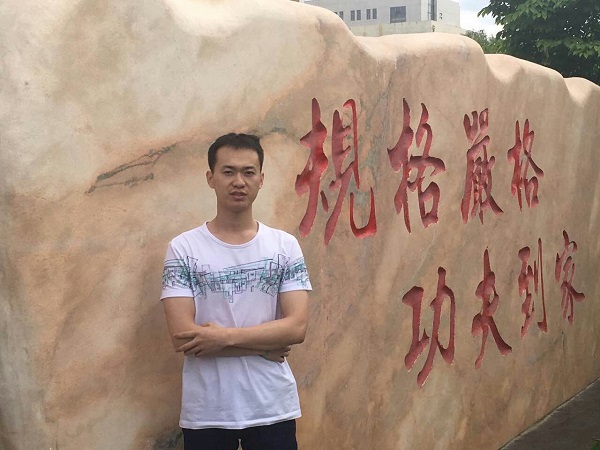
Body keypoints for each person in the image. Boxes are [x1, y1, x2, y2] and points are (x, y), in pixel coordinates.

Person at [160, 133, 312, 450]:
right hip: (207, 411)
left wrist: (223, 337)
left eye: (248, 172)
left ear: (261, 180)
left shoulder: (284, 246)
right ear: (211, 178)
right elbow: (182, 337)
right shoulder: (184, 248)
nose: (238, 182)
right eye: (228, 172)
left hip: (272, 406)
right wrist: (263, 347)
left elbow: (296, 328)